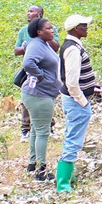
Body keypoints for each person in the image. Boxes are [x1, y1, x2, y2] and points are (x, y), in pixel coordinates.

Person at [57, 14, 102, 192]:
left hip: (74, 99)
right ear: (76, 29)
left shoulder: (73, 45)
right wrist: (83, 101)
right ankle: (63, 184)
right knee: (73, 139)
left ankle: (68, 175)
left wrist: (92, 85)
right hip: (75, 101)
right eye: (84, 26)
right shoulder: (73, 49)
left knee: (72, 136)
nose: (87, 28)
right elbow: (71, 82)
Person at [20, 18, 60, 181]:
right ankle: (41, 170)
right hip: (39, 95)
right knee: (43, 132)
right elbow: (28, 62)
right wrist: (41, 76)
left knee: (36, 130)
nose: (52, 31)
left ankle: (32, 164)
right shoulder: (37, 44)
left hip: (40, 94)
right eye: (48, 29)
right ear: (39, 32)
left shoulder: (42, 44)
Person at [14, 5, 57, 139]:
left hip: (47, 71)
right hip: (31, 72)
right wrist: (29, 47)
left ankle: (49, 127)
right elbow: (16, 50)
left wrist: (44, 39)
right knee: (28, 99)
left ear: (39, 15)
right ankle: (26, 129)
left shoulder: (50, 29)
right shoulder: (23, 31)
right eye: (28, 11)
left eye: (31, 11)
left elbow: (56, 47)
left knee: (46, 99)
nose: (28, 13)